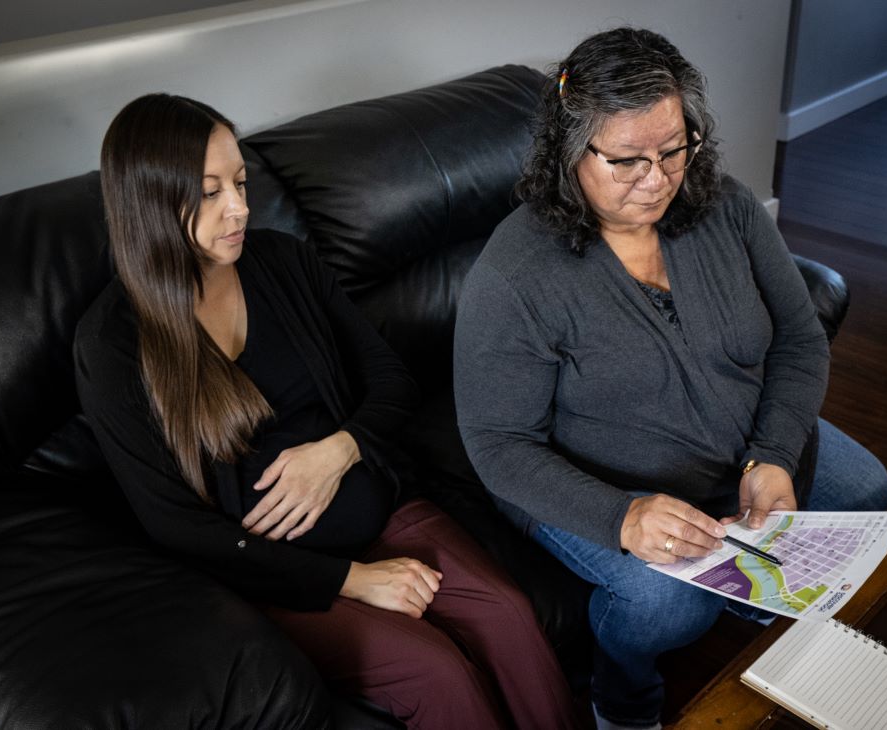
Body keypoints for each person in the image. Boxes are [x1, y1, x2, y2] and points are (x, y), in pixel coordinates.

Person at [74, 93, 579, 730]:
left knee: (507, 615)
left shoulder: (282, 261)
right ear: (149, 199)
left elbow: (391, 379)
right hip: (282, 577)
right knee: (437, 675)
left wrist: (338, 450)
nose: (239, 208)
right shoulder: (113, 344)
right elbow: (174, 526)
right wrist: (350, 580)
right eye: (208, 192)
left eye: (239, 182)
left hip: (383, 505)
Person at [453, 27, 887, 730]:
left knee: (868, 489)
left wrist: (774, 452)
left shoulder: (729, 209)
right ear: (570, 155)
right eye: (627, 160)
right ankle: (621, 695)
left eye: (673, 149)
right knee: (666, 604)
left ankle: (759, 602)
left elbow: (801, 339)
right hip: (603, 480)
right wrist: (621, 516)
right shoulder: (514, 275)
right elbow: (498, 444)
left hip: (744, 446)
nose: (657, 180)